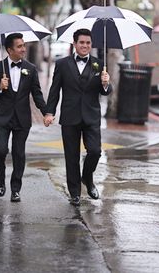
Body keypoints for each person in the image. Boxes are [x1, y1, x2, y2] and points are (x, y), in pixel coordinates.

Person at [44, 29, 112, 206]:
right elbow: (54, 90)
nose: (85, 46)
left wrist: (105, 84)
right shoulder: (62, 64)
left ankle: (87, 178)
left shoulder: (99, 64)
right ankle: (74, 193)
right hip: (70, 116)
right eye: (82, 42)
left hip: (91, 117)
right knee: (71, 156)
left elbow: (105, 92)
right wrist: (50, 112)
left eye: (88, 43)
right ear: (74, 44)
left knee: (95, 152)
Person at [0, 33, 46, 202]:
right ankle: (0, 176)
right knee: (1, 150)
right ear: (9, 50)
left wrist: (46, 112)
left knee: (19, 153)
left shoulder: (30, 69)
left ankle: (16, 189)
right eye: (19, 46)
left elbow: (37, 94)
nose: (23, 49)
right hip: (2, 117)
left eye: (23, 45)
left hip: (22, 119)